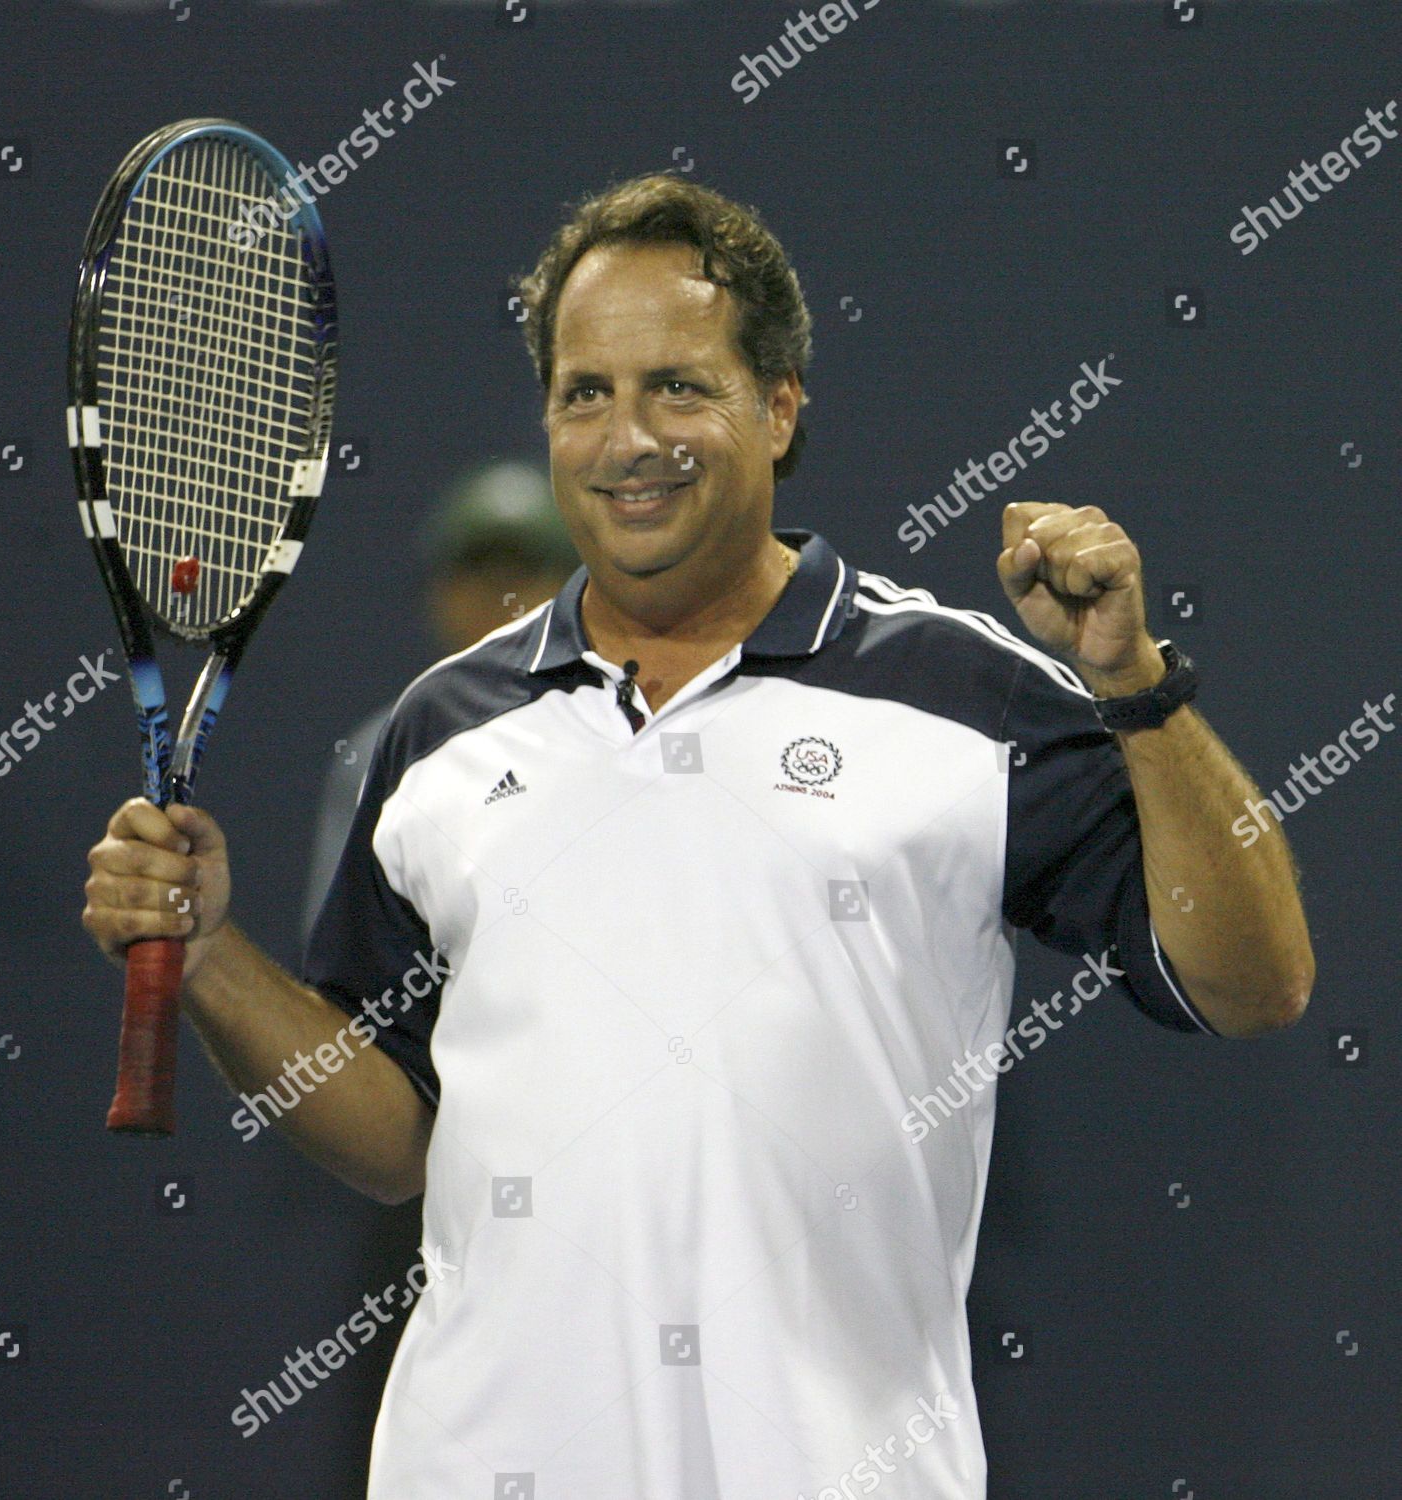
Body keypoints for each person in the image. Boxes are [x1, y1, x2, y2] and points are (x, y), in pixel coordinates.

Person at [82, 173, 1314, 1499]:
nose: (628, 439)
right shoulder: (439, 731)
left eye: (679, 386)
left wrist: (1134, 686)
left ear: (779, 408)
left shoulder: (961, 692)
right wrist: (208, 956)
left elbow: (1250, 983)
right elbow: (397, 1143)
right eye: (583, 393)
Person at [301, 460, 577, 943]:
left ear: (569, 590)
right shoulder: (383, 753)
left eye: (524, 572)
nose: (502, 596)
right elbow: (345, 967)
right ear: (440, 597)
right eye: (479, 574)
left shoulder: (613, 730)